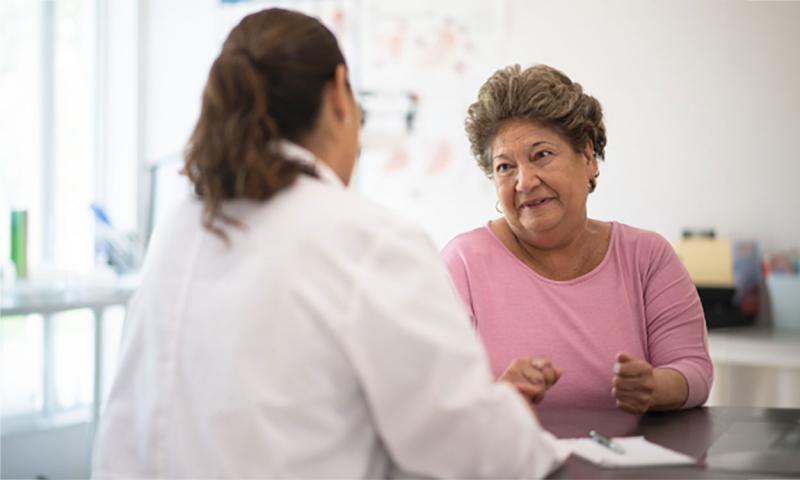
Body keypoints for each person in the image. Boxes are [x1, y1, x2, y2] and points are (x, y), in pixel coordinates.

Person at [92, 10, 566, 479]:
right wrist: (509, 414)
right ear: (341, 93)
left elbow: (124, 434)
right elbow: (479, 453)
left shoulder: (180, 228)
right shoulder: (367, 239)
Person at [442, 64, 713, 414]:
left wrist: (653, 387)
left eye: (541, 155)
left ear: (587, 157)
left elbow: (694, 370)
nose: (524, 181)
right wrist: (497, 397)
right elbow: (433, 399)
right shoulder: (461, 263)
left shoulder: (647, 257)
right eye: (505, 167)